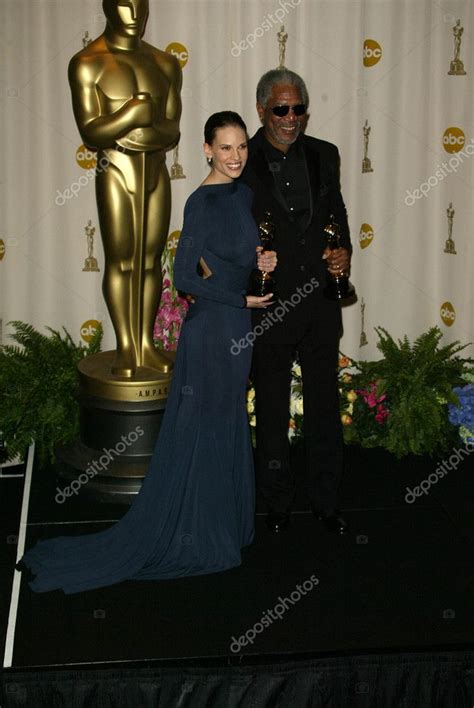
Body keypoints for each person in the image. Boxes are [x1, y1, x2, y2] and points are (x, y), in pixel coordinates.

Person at [18, 112, 276, 593]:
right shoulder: (200, 203)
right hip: (211, 334)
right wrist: (239, 297)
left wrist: (259, 261)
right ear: (206, 150)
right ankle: (199, 535)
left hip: (237, 331)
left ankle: (225, 526)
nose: (236, 156)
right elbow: (182, 276)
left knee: (227, 424)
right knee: (204, 429)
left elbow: (228, 263)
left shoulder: (244, 195)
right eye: (225, 148)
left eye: (241, 146)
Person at [240, 69, 352, 535]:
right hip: (269, 306)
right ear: (262, 109)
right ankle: (277, 503)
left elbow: (337, 216)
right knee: (271, 410)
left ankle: (326, 502)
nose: (291, 118)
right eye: (281, 109)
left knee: (325, 408)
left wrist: (343, 252)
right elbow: (230, 233)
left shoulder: (326, 155)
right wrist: (251, 262)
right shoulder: (240, 160)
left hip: (320, 307)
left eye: (298, 108)